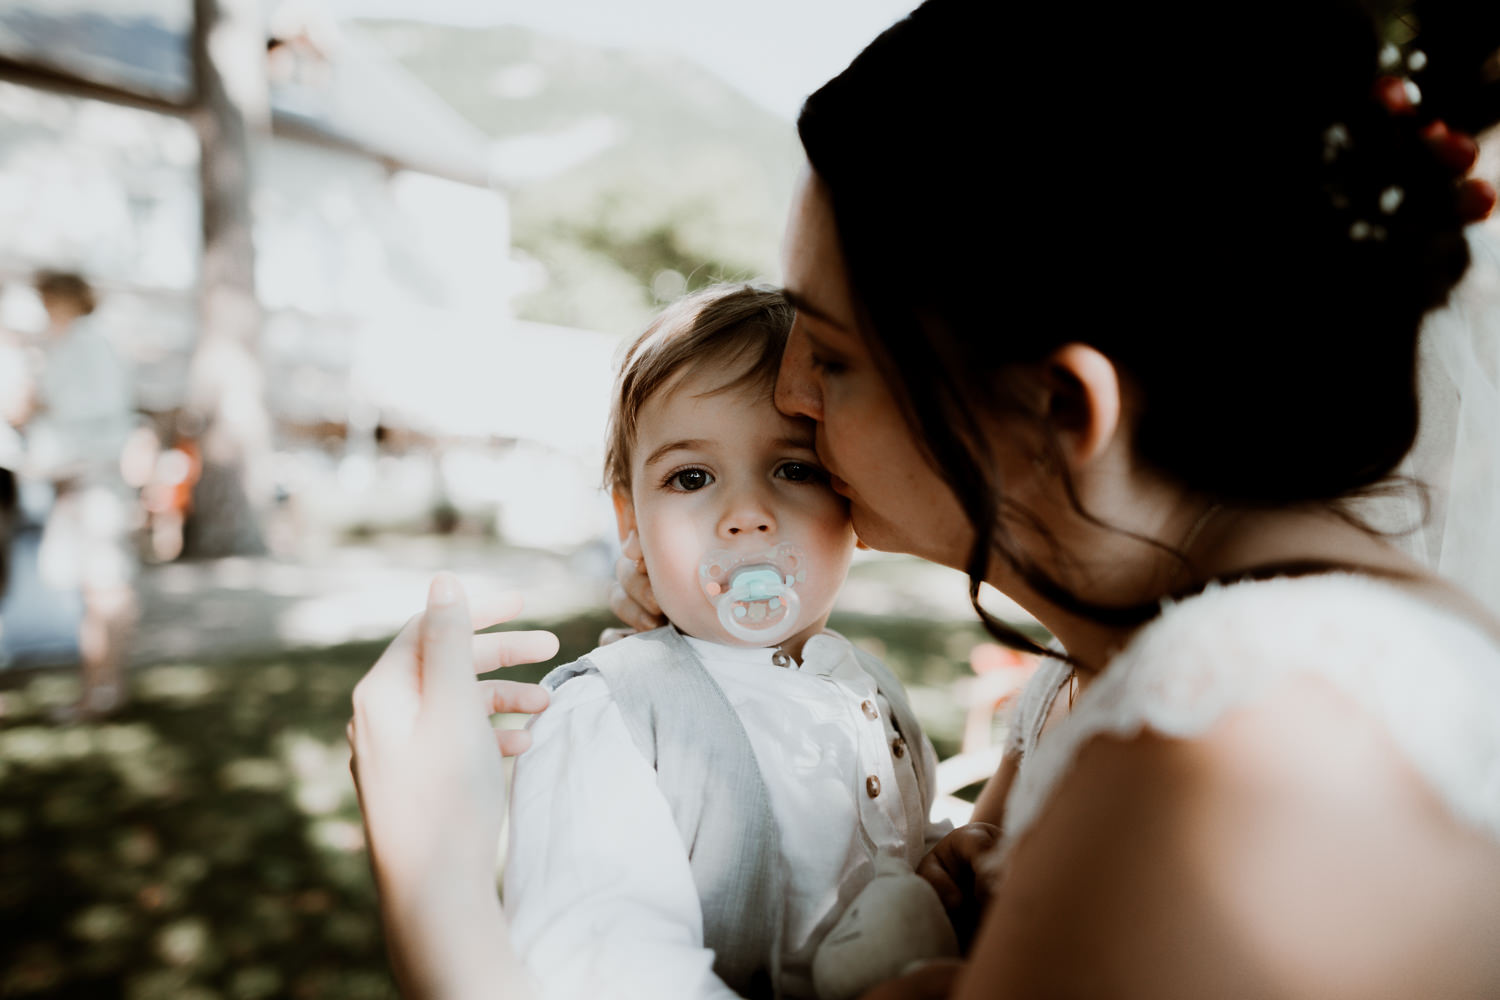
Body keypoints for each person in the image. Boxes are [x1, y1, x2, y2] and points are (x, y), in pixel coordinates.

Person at [348, 1, 1500, 997]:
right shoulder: (1129, 676)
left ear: (1059, 409)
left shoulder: (1234, 756)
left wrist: (437, 882)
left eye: (835, 355)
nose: (791, 396)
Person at [504, 283, 950, 1000]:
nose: (746, 515)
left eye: (794, 469)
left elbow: (905, 843)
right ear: (631, 520)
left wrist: (948, 857)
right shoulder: (612, 717)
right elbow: (599, 966)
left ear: (853, 499)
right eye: (692, 477)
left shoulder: (871, 689)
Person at [26, 271, 138, 719]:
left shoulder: (88, 343)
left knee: (104, 587)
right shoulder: (71, 344)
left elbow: (99, 414)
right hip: (78, 480)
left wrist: (40, 407)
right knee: (97, 588)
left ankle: (102, 690)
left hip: (93, 480)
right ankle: (100, 687)